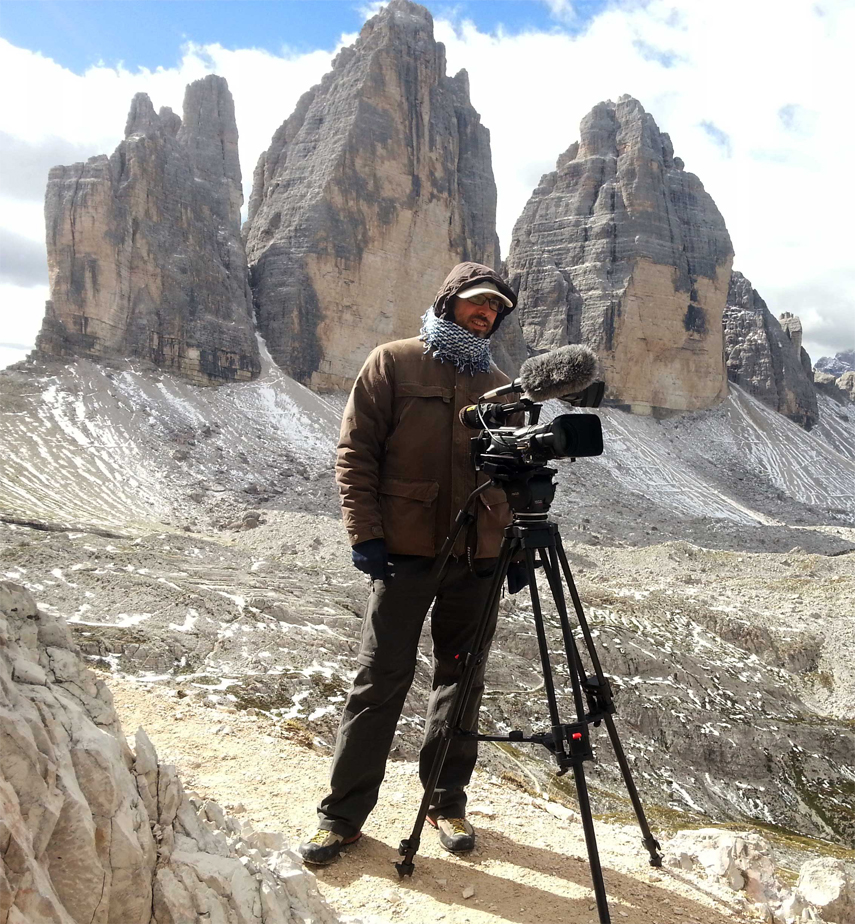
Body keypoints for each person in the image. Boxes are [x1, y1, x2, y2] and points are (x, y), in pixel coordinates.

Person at [298, 262, 519, 865]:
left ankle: (445, 802)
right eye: (479, 303)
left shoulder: (500, 384)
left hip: (479, 560)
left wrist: (514, 547)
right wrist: (366, 535)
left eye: (497, 308)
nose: (488, 313)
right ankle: (341, 816)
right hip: (404, 556)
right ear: (450, 302)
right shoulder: (392, 362)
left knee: (461, 680)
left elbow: (512, 478)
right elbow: (356, 452)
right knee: (380, 680)